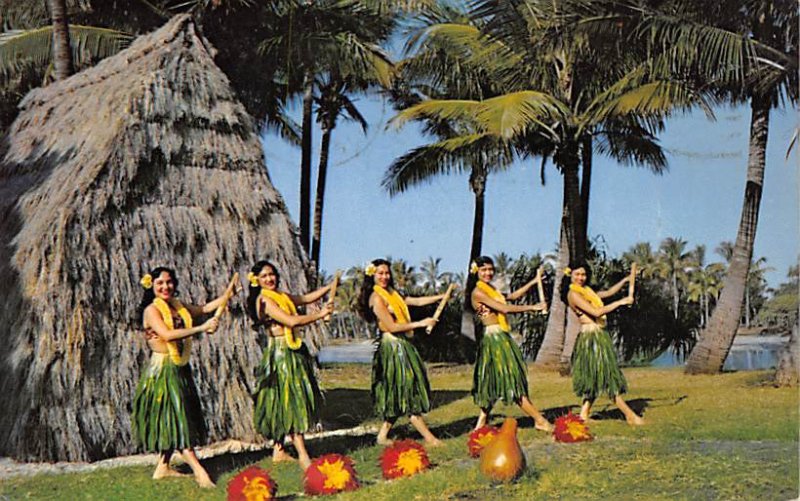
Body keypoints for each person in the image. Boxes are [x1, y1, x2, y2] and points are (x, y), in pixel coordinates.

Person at [133, 266, 233, 488]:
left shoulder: (177, 306)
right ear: (152, 286)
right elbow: (167, 335)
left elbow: (203, 308)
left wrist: (226, 296)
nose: (165, 287)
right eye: (160, 283)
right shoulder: (151, 310)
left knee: (176, 415)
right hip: (162, 370)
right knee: (178, 418)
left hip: (179, 367)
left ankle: (163, 467)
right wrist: (202, 328)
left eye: (169, 282)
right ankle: (200, 473)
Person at [247, 260, 334, 470]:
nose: (270, 279)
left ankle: (279, 451)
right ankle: (303, 455)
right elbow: (291, 321)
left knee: (282, 399)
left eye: (272, 274)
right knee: (290, 398)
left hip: (292, 350)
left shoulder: (282, 296)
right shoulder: (265, 300)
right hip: (280, 354)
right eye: (265, 276)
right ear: (256, 280)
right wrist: (320, 314)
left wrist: (329, 288)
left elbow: (304, 299)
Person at [357, 258, 447, 446]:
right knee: (407, 387)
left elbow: (417, 301)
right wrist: (422, 323)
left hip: (402, 344)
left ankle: (382, 436)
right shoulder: (377, 298)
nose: (384, 276)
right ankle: (429, 438)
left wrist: (441, 297)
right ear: (372, 275)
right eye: (380, 273)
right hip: (393, 347)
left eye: (387, 273)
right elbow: (391, 326)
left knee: (400, 389)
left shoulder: (393, 293)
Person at [467, 256, 553, 431]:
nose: (488, 273)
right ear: (477, 272)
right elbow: (504, 308)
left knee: (491, 381)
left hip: (501, 336)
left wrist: (533, 282)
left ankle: (480, 424)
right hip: (494, 339)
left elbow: (511, 297)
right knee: (511, 380)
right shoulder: (478, 292)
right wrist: (533, 307)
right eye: (483, 270)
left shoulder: (492, 290)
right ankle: (539, 420)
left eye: (490, 269)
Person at [561, 262, 644, 425]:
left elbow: (607, 293)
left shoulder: (587, 291)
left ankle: (584, 414)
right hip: (591, 338)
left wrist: (626, 280)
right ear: (570, 275)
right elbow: (596, 312)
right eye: (577, 274)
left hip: (598, 334)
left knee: (594, 376)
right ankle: (629, 415)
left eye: (583, 275)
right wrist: (620, 302)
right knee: (606, 376)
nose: (581, 278)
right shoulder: (573, 294)